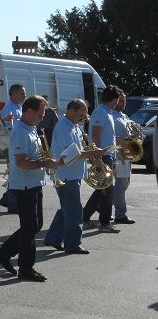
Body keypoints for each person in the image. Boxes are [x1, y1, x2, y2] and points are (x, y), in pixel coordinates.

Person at [0, 95, 60, 281]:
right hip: (24, 185)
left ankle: (4, 253)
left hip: (34, 183)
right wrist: (43, 162)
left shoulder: (32, 128)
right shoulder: (21, 132)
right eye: (41, 112)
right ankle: (25, 268)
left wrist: (45, 163)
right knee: (30, 227)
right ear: (29, 111)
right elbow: (22, 162)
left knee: (35, 225)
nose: (43, 116)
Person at [44, 99, 104, 254]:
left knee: (67, 208)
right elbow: (71, 154)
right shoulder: (64, 127)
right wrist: (94, 153)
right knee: (74, 210)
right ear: (70, 110)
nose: (83, 118)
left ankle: (53, 238)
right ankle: (73, 244)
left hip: (72, 174)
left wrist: (91, 150)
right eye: (81, 115)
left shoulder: (73, 126)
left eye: (84, 115)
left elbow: (78, 148)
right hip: (66, 174)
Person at [83, 85, 121, 233]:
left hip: (108, 155)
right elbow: (96, 133)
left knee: (102, 190)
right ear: (114, 99)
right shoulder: (101, 112)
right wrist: (98, 155)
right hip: (103, 156)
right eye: (118, 99)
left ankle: (84, 216)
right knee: (107, 190)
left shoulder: (107, 112)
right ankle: (104, 223)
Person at [0, 84, 27, 213]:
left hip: (16, 145)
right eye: (22, 93)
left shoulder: (18, 107)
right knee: (15, 173)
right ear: (13, 94)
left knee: (15, 173)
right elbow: (8, 129)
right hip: (12, 145)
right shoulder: (10, 108)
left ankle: (7, 198)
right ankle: (12, 203)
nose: (24, 95)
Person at [112, 90, 135, 225]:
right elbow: (107, 135)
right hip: (117, 153)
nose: (123, 103)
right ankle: (120, 214)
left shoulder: (124, 116)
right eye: (121, 100)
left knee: (125, 184)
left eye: (125, 100)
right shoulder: (111, 115)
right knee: (121, 184)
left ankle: (100, 205)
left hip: (126, 153)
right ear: (115, 100)